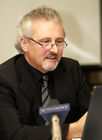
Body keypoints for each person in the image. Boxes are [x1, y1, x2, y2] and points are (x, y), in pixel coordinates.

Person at [0, 6, 90, 140]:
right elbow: (14, 134)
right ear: (24, 44)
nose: (54, 49)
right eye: (45, 42)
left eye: (59, 42)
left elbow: (89, 119)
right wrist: (71, 131)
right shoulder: (4, 79)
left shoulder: (71, 69)